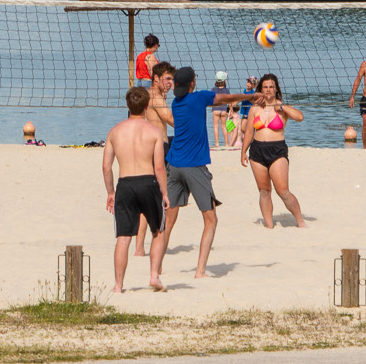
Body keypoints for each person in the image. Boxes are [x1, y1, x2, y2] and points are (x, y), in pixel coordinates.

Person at [151, 65, 221, 279]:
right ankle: (200, 272)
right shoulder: (196, 98)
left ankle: (157, 269)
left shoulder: (175, 101)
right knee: (210, 219)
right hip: (190, 164)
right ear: (192, 83)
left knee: (168, 220)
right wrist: (252, 96)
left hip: (173, 162)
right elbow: (223, 98)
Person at [102, 86, 169, 293]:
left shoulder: (115, 131)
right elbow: (159, 167)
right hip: (148, 182)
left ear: (127, 105)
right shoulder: (155, 131)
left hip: (125, 183)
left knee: (123, 237)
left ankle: (118, 285)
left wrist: (110, 192)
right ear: (147, 106)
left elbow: (106, 167)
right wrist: (165, 193)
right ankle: (154, 276)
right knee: (157, 231)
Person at [217, 73, 305, 229]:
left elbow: (300, 117)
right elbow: (249, 132)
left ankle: (300, 221)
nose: (269, 90)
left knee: (282, 191)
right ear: (261, 90)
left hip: (277, 150)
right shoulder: (255, 108)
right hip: (257, 151)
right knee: (264, 191)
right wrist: (243, 152)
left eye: (271, 87)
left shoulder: (281, 108)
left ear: (276, 89)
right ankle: (269, 225)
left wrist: (282, 107)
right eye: (265, 87)